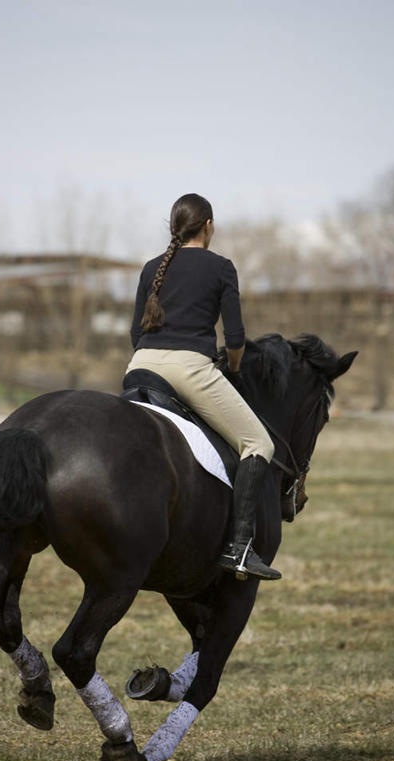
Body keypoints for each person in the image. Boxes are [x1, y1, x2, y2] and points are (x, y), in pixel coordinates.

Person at [126, 193, 280, 581]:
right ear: (208, 226)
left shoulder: (150, 268)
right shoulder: (221, 267)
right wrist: (232, 366)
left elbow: (134, 333)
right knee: (258, 444)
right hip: (190, 369)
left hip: (139, 366)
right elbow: (236, 337)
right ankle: (241, 548)